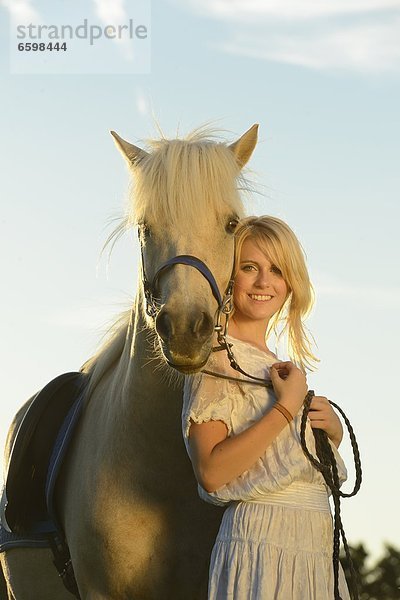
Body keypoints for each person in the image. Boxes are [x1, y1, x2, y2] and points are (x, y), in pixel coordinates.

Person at [182, 215, 351, 599]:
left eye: (277, 270)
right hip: (261, 545)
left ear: (291, 281)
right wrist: (285, 410)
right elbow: (211, 471)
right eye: (249, 267)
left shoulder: (274, 363)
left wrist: (329, 433)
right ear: (229, 275)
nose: (264, 282)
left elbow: (279, 461)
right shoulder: (216, 361)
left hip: (314, 547)